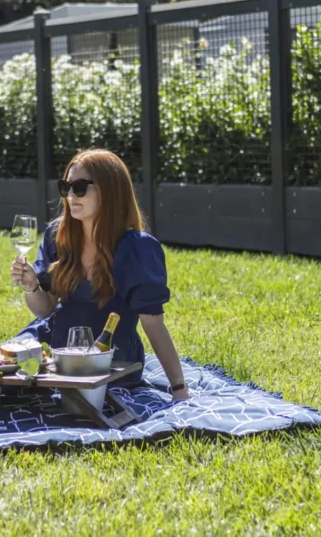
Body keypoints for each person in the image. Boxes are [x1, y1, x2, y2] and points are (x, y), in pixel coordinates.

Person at [11, 149, 189, 400]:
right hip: (55, 346)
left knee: (84, 401)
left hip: (111, 356)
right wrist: (31, 285)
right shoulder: (58, 236)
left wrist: (179, 388)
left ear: (109, 192)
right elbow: (45, 310)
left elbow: (153, 323)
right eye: (66, 187)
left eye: (80, 187)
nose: (71, 195)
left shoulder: (135, 248)